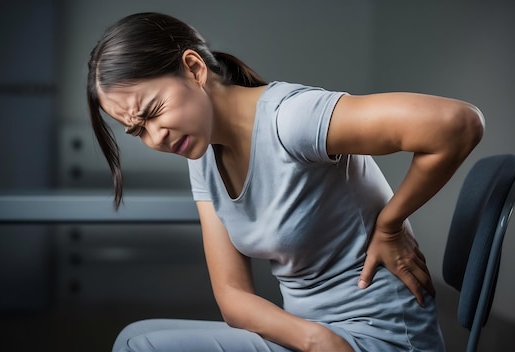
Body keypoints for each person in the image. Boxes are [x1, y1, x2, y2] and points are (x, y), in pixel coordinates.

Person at [87, 12, 484, 352]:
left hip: (380, 339)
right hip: (317, 339)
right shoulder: (202, 155)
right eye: (137, 131)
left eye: (154, 112)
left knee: (141, 348)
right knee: (135, 336)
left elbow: (457, 125)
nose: (156, 138)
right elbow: (232, 297)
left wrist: (390, 222)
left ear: (194, 69)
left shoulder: (290, 119)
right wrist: (315, 339)